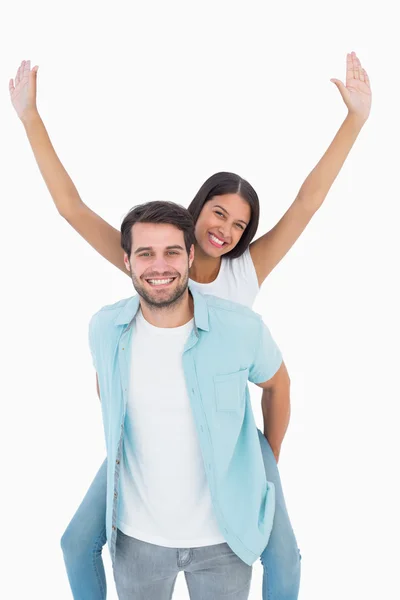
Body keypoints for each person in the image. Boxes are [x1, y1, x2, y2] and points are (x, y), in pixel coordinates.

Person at [9, 52, 372, 600]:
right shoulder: (161, 257)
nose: (226, 229)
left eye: (240, 223)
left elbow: (307, 202)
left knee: (285, 556)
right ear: (196, 209)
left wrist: (355, 120)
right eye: (219, 212)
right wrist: (30, 116)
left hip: (225, 437)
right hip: (149, 433)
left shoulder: (244, 271)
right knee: (75, 541)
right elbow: (71, 208)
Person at [90, 199, 290, 600]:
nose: (159, 266)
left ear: (190, 256)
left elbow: (277, 385)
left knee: (288, 558)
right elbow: (107, 394)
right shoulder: (105, 329)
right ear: (127, 260)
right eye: (145, 253)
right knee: (74, 542)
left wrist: (266, 456)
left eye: (172, 252)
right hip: (137, 541)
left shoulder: (242, 329)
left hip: (225, 541)